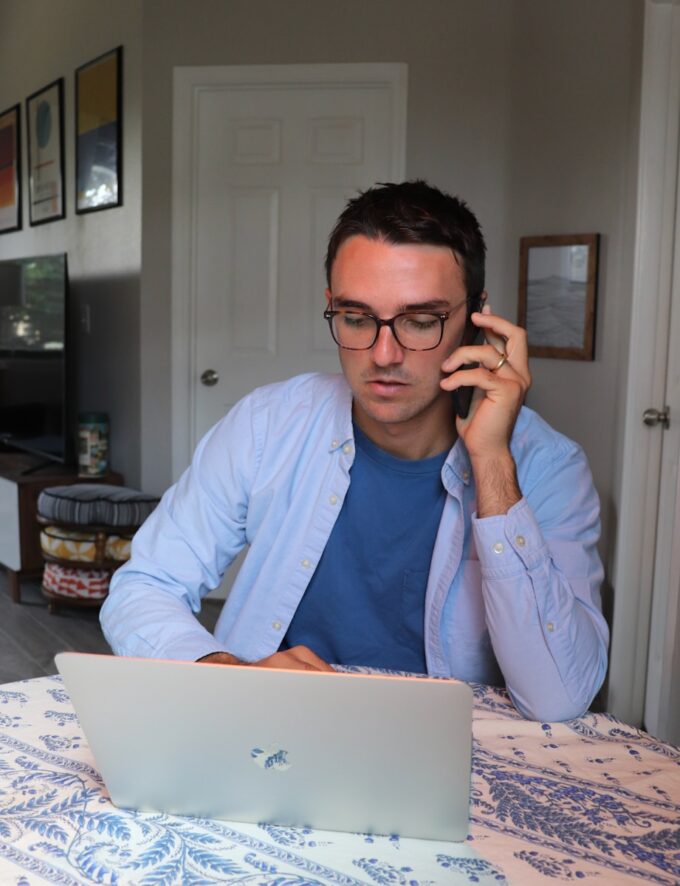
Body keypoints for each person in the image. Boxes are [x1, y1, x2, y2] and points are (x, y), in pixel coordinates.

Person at [101, 180, 608, 721]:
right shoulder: (267, 425)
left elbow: (558, 697)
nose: (384, 354)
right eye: (357, 318)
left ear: (478, 319)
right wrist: (227, 672)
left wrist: (491, 462)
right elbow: (145, 584)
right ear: (332, 308)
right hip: (270, 728)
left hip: (445, 752)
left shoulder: (548, 466)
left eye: (419, 321)